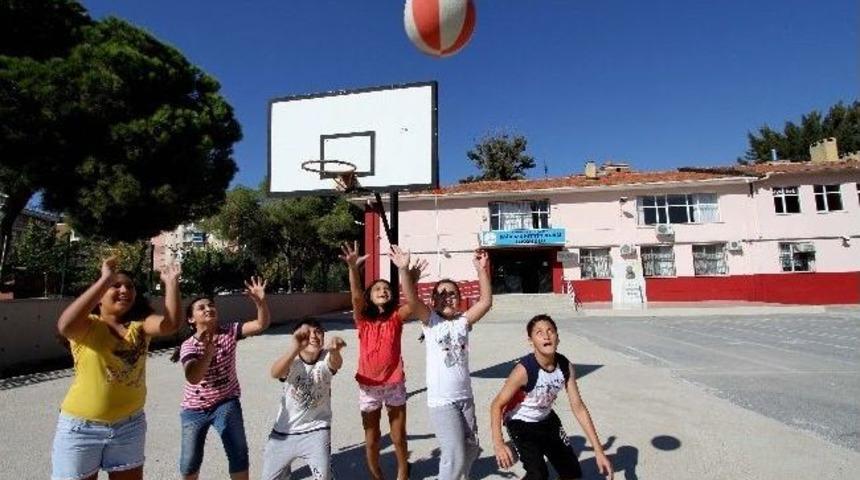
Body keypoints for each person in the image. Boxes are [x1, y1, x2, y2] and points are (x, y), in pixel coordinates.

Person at [52, 256, 182, 480]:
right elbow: (65, 325)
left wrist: (171, 283)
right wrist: (104, 279)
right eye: (116, 285)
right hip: (82, 428)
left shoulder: (139, 327)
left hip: (129, 426)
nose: (125, 290)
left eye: (130, 286)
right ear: (99, 296)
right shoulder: (88, 326)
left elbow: (170, 324)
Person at [340, 241, 426, 480]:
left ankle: (402, 474)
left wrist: (407, 274)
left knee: (398, 437)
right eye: (377, 288)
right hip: (368, 388)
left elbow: (413, 305)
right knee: (372, 438)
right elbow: (356, 297)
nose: (382, 290)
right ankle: (377, 476)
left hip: (394, 385)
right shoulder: (362, 320)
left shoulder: (396, 318)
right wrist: (352, 269)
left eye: (386, 289)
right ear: (370, 296)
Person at [490, 314, 613, 480]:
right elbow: (496, 405)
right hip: (520, 423)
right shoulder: (524, 370)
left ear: (557, 338)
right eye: (539, 332)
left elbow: (578, 408)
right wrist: (499, 444)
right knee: (539, 475)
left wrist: (599, 451)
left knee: (572, 473)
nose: (546, 335)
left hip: (547, 420)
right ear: (531, 341)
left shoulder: (564, 366)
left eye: (550, 331)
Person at [170, 276, 271, 480]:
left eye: (211, 305)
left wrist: (260, 302)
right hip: (194, 409)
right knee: (190, 461)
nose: (208, 308)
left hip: (226, 402)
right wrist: (208, 351)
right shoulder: (189, 345)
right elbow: (193, 377)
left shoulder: (229, 331)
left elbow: (261, 324)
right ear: (191, 319)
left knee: (238, 453)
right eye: (201, 308)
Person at [406, 249, 493, 480]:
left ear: (460, 299)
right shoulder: (430, 321)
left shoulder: (463, 322)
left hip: (465, 398)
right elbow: (412, 300)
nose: (447, 297)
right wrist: (405, 271)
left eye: (452, 293)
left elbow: (485, 302)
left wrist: (480, 270)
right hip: (442, 401)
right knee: (453, 454)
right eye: (441, 293)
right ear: (433, 300)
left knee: (472, 446)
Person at [260, 319, 346, 480]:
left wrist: (336, 350)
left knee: (324, 476)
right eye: (307, 333)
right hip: (284, 431)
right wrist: (294, 349)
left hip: (316, 429)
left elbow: (336, 364)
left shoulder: (326, 357)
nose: (313, 336)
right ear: (297, 337)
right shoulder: (292, 360)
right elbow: (275, 373)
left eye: (318, 331)